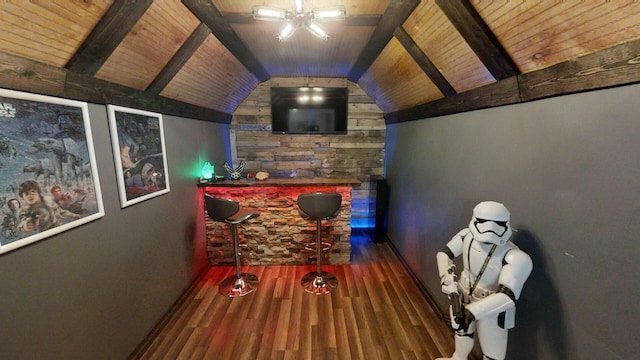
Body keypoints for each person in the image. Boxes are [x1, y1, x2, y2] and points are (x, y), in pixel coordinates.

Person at [435, 201, 532, 360]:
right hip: (462, 295)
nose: (490, 229)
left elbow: (507, 296)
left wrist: (474, 311)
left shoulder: (515, 257)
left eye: (497, 224)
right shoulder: (467, 236)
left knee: (492, 353)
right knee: (462, 333)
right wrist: (447, 279)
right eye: (484, 222)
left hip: (491, 307)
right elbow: (444, 255)